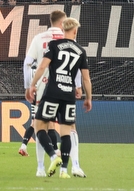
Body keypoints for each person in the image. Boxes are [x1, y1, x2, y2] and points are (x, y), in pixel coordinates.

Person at [18, 10, 84, 177]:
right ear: (63, 23)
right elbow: (75, 67)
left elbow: (28, 63)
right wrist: (77, 86)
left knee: (41, 126)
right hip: (65, 88)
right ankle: (74, 166)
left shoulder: (39, 38)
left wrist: (28, 86)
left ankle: (41, 168)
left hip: (42, 89)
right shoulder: (69, 41)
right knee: (69, 128)